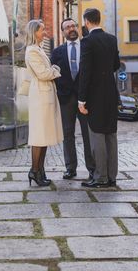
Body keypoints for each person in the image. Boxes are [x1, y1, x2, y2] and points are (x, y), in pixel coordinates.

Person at [77, 8, 121, 188]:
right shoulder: (112, 39)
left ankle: (100, 176)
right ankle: (112, 176)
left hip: (94, 95)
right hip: (111, 93)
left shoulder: (87, 42)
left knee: (97, 135)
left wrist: (81, 99)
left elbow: (85, 72)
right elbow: (116, 65)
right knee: (111, 134)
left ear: (87, 21)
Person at [50, 18, 96, 180]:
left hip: (85, 98)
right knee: (67, 134)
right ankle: (70, 168)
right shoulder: (57, 52)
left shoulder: (87, 47)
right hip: (66, 98)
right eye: (67, 27)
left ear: (78, 27)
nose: (71, 28)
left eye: (73, 25)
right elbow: (53, 74)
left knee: (87, 134)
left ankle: (92, 168)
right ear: (63, 32)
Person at [25, 19, 63, 186]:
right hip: (40, 97)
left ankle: (40, 170)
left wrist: (52, 70)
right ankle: (34, 170)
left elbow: (46, 71)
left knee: (44, 136)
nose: (45, 33)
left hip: (45, 96)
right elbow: (43, 74)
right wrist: (55, 70)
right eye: (42, 30)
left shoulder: (39, 50)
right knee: (39, 137)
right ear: (34, 33)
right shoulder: (32, 51)